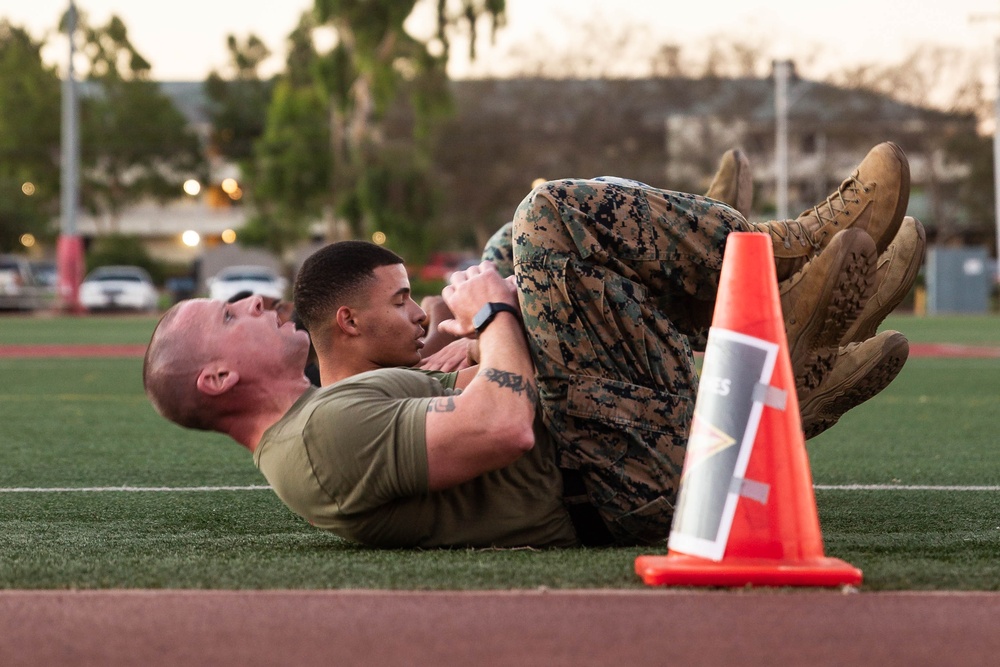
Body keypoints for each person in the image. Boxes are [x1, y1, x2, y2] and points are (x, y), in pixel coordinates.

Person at [144, 142, 916, 549]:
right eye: (231, 314)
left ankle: (752, 320)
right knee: (544, 218)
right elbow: (504, 424)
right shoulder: (316, 442)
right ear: (217, 377)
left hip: (606, 457)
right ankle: (767, 266)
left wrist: (477, 339)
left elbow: (481, 398)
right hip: (614, 481)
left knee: (510, 244)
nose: (256, 300)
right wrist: (491, 317)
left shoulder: (321, 420)